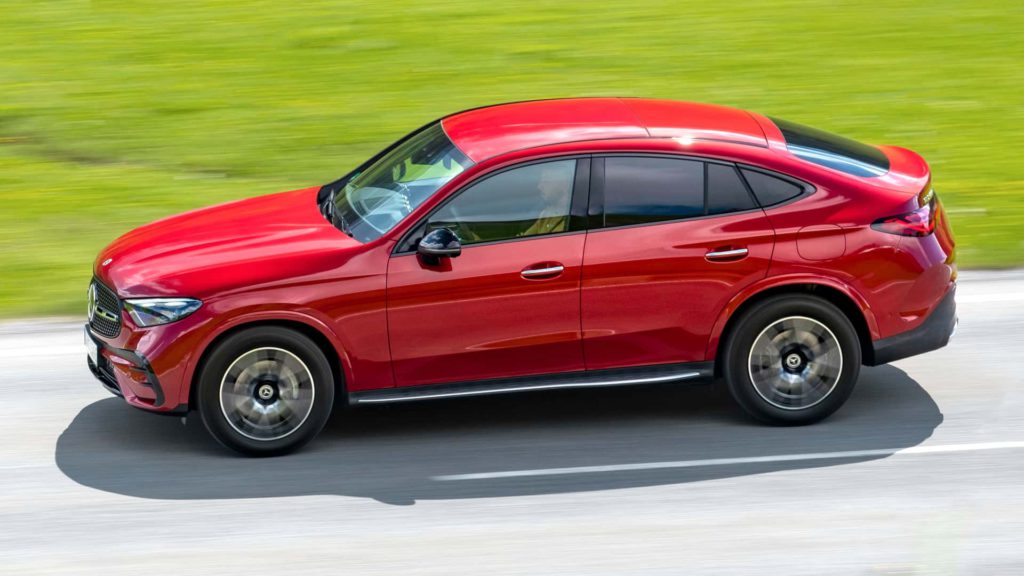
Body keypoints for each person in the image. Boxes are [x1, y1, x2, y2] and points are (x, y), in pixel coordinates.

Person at [520, 162, 573, 237]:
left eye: (546, 181)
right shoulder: (548, 212)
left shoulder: (569, 222)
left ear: (564, 185)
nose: (539, 186)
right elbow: (524, 238)